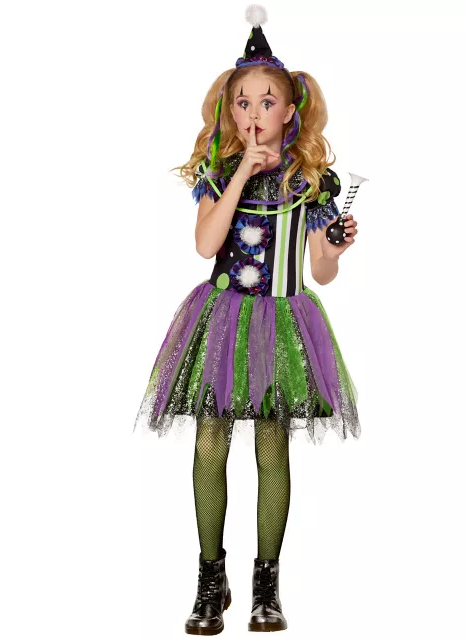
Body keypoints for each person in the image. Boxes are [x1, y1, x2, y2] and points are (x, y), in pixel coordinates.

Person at [133, 4, 366, 635]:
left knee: (271, 445)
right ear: (229, 112)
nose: (255, 112)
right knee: (210, 441)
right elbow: (206, 245)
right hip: (222, 320)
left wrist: (335, 250)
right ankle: (211, 581)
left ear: (290, 111)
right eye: (243, 102)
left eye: (268, 101)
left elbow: (320, 272)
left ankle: (268, 585)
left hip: (283, 322)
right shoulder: (217, 171)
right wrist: (240, 171)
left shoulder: (311, 182)